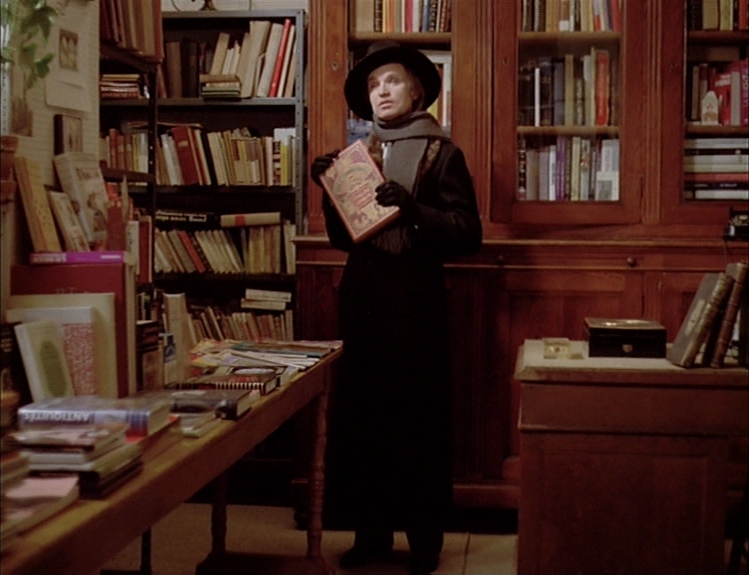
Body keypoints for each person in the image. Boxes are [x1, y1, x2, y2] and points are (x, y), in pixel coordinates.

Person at [310, 40, 482, 575]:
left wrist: (414, 210)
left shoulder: (443, 154)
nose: (380, 92)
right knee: (364, 420)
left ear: (417, 91)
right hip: (364, 297)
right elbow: (343, 239)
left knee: (418, 421)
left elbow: (468, 234)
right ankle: (371, 537)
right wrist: (329, 190)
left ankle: (424, 543)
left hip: (416, 299)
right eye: (372, 85)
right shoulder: (357, 158)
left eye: (392, 81)